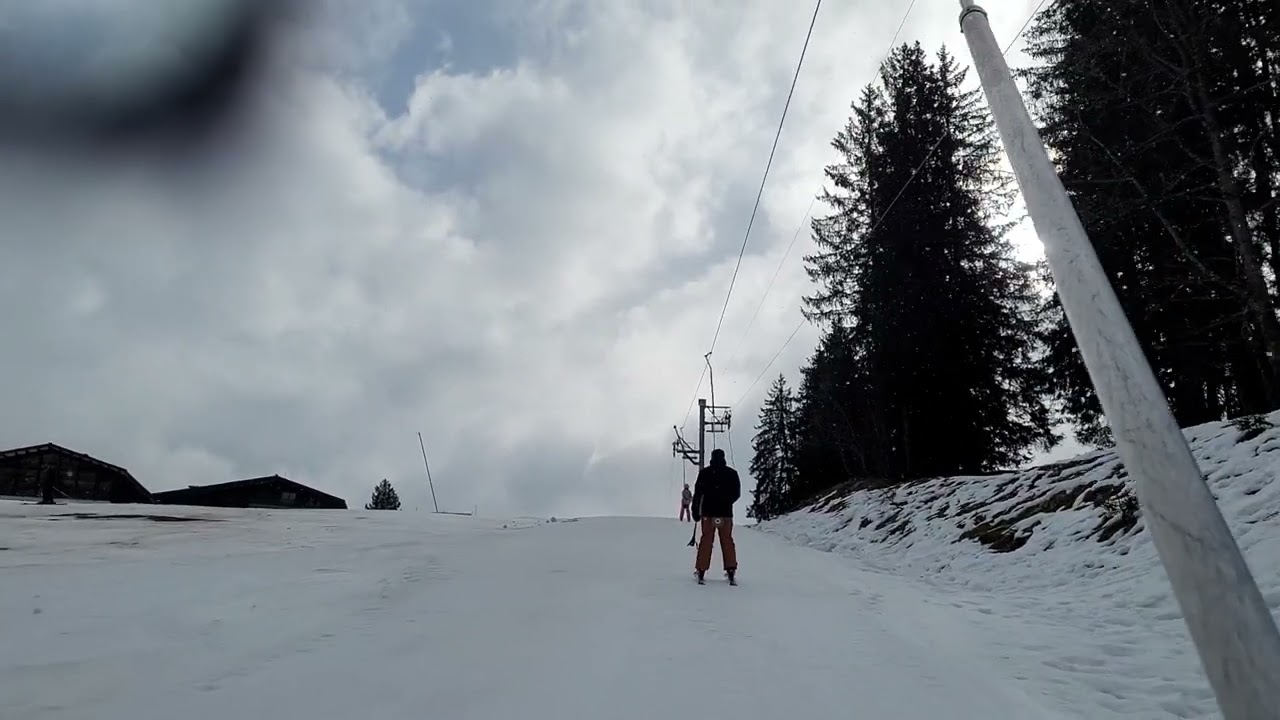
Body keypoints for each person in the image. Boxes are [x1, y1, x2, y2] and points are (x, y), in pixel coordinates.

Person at [691, 448, 740, 585]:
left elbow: (698, 493)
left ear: (711, 458)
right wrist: (726, 501)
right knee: (727, 540)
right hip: (725, 513)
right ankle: (731, 569)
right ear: (724, 458)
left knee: (706, 540)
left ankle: (701, 569)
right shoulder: (732, 474)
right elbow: (737, 493)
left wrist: (695, 510)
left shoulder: (705, 473)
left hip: (708, 512)